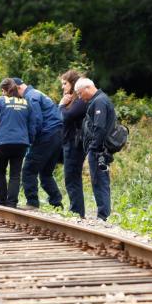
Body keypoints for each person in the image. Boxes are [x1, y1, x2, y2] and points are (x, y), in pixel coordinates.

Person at [0, 78, 36, 207]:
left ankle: (1, 201)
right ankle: (12, 203)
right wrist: (30, 141)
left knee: (0, 171)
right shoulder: (26, 103)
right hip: (21, 143)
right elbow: (32, 125)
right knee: (15, 174)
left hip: (4, 142)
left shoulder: (0, 101)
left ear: (4, 90)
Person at [13, 77, 63, 210]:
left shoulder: (30, 97)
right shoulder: (37, 93)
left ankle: (32, 203)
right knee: (46, 173)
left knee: (28, 169)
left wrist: (30, 141)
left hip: (46, 135)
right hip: (57, 135)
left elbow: (36, 121)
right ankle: (57, 203)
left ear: (18, 88)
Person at [75, 77, 115, 221]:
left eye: (80, 93)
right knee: (99, 180)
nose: (80, 97)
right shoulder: (99, 100)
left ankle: (103, 215)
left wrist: (93, 147)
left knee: (100, 180)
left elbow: (99, 127)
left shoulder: (99, 101)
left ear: (87, 88)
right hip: (99, 149)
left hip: (99, 150)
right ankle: (103, 214)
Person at [58, 70, 87, 218]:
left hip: (75, 144)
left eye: (65, 83)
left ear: (73, 84)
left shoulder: (80, 101)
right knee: (71, 177)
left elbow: (67, 116)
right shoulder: (72, 100)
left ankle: (77, 211)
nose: (63, 87)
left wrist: (62, 105)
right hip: (69, 143)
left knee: (72, 177)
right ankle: (76, 209)